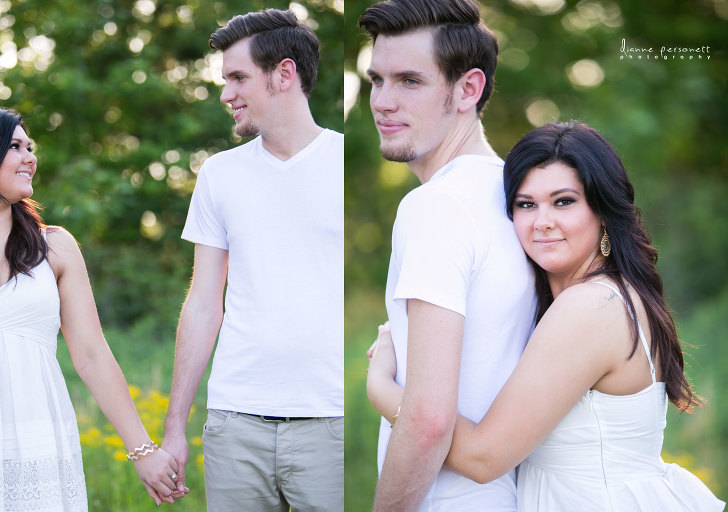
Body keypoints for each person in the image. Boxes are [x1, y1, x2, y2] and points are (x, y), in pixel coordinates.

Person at [367, 121, 726, 511]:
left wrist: (382, 387)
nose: (542, 222)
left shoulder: (589, 308)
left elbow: (482, 458)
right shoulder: (604, 295)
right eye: (526, 204)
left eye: (564, 201)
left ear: (603, 210)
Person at [161, 8, 344, 512]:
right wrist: (174, 427)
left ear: (284, 74)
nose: (225, 93)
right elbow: (202, 303)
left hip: (331, 422)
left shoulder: (345, 165)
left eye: (238, 77)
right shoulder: (219, 175)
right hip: (234, 422)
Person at [358, 0, 537, 510]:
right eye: (376, 80)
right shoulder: (516, 199)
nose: (383, 102)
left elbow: (428, 420)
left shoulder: (436, 206)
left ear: (468, 89)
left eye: (410, 81)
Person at [0, 106, 181, 510]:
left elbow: (93, 355)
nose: (30, 157)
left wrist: (143, 450)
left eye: (31, 147)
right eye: (15, 146)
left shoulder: (55, 247)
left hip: (40, 436)